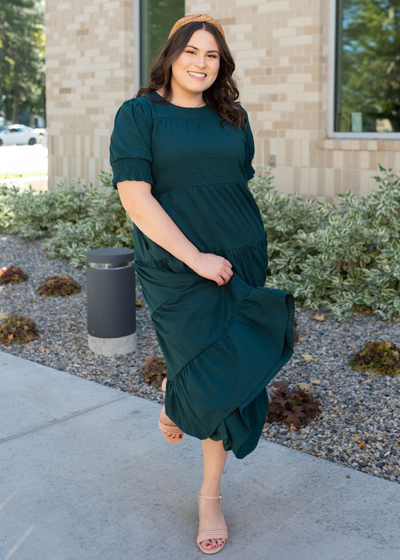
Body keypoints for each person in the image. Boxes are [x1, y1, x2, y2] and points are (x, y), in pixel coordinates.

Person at [109, 13, 295, 555]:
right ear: (170, 56)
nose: (201, 63)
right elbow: (135, 197)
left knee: (231, 379)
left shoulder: (233, 117)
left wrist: (231, 253)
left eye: (212, 55)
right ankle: (180, 394)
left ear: (222, 64)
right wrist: (195, 258)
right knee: (207, 368)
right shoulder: (139, 113)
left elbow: (232, 186)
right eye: (192, 51)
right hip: (178, 269)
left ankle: (208, 491)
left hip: (240, 260)